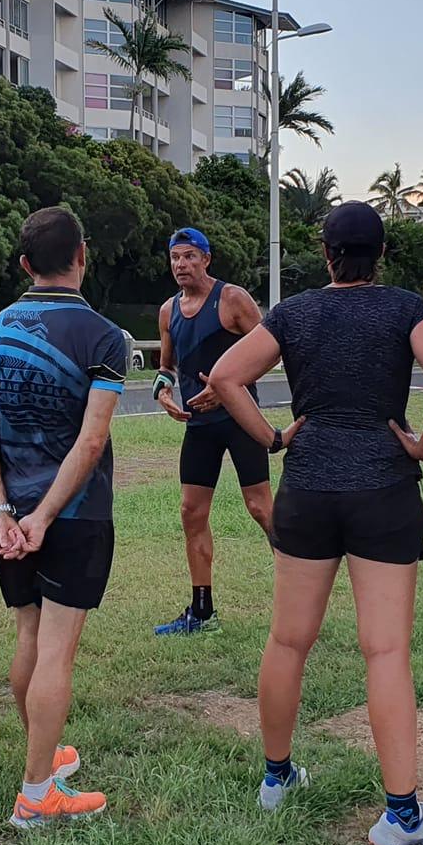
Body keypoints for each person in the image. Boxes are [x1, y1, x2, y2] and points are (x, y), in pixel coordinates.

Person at [208, 201, 423, 845]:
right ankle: (402, 815)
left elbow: (224, 376)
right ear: (381, 256)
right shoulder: (405, 308)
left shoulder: (294, 312)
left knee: (288, 640)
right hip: (384, 488)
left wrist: (273, 436)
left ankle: (276, 779)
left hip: (307, 489)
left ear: (326, 254)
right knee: (385, 650)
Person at [0, 206, 126, 828]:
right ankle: (36, 796)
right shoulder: (104, 337)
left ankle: (46, 755)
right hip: (75, 516)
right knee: (57, 651)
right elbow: (90, 443)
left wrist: (5, 512)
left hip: (14, 518)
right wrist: (46, 516)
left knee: (30, 639)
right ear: (83, 256)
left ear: (26, 265)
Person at [152, 227, 272, 636]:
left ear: (206, 259)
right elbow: (166, 366)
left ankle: (302, 589)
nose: (181, 265)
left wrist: (227, 389)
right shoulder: (168, 310)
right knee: (192, 512)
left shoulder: (232, 299)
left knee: (260, 508)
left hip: (241, 421)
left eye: (189, 256)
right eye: (175, 258)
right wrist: (163, 392)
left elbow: (271, 350)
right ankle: (202, 613)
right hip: (198, 426)